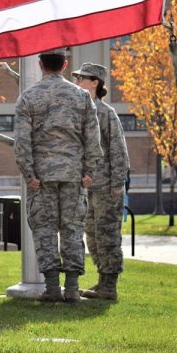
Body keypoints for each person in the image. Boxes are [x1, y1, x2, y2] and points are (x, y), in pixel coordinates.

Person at [14, 48, 102, 303]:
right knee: (72, 228)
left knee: (44, 230)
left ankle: (52, 287)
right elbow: (92, 137)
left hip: (41, 177)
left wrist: (28, 172)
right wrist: (89, 171)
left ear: (40, 64)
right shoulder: (82, 97)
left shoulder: (28, 97)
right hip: (73, 175)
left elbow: (22, 141)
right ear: (65, 65)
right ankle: (72, 288)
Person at [72, 62, 129, 301]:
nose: (77, 82)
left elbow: (118, 150)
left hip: (106, 187)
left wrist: (117, 184)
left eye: (82, 78)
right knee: (92, 235)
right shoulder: (79, 111)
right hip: (88, 188)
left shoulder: (106, 113)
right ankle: (102, 279)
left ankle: (109, 285)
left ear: (95, 82)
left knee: (107, 235)